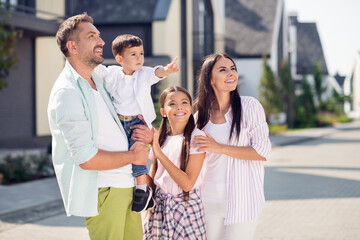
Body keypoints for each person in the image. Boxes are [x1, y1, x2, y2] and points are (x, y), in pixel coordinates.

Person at [48, 13, 151, 240]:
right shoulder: (67, 92)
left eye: (99, 35)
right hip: (104, 191)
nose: (102, 41)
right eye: (92, 36)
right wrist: (133, 156)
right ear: (73, 46)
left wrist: (143, 131)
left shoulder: (100, 81)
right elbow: (87, 159)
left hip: (127, 186)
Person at [94, 34, 179, 212]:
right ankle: (135, 188)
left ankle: (142, 189)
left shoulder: (144, 74)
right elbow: (95, 69)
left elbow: (157, 72)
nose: (139, 58)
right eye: (133, 54)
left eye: (141, 53)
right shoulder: (112, 73)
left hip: (138, 122)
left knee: (139, 153)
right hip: (118, 123)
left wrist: (167, 69)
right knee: (124, 155)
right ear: (119, 58)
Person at [193, 53, 271, 240]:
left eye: (233, 69)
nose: (231, 74)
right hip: (207, 200)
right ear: (209, 79)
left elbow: (262, 151)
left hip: (242, 200)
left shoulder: (250, 107)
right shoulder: (199, 117)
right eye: (223, 70)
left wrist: (218, 147)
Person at [143, 86, 207, 240]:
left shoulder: (196, 137)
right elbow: (153, 176)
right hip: (160, 206)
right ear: (163, 111)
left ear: (191, 109)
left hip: (186, 207)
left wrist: (159, 152)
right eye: (172, 104)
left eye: (184, 102)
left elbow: (187, 184)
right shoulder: (161, 138)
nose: (179, 107)